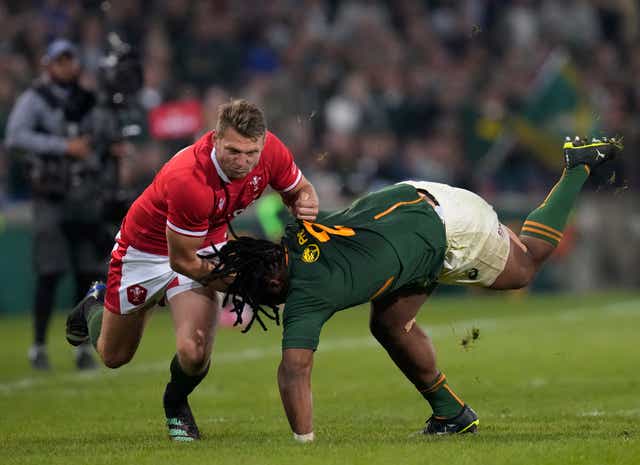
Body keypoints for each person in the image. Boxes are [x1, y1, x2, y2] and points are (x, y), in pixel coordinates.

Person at [204, 137, 621, 442]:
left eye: (262, 296)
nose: (266, 302)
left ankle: (577, 167)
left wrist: (303, 443)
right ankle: (450, 414)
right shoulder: (295, 232)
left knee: (526, 263)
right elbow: (288, 200)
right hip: (415, 200)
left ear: (275, 281)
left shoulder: (307, 294)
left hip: (447, 229)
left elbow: (295, 369)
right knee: (390, 323)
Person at [65, 99, 319, 441]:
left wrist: (307, 199)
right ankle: (94, 304)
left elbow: (299, 190)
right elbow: (181, 262)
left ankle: (176, 404)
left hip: (203, 241)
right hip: (145, 251)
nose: (243, 162)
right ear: (215, 139)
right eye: (233, 151)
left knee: (195, 350)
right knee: (113, 356)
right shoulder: (190, 178)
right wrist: (244, 285)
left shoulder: (271, 151)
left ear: (262, 142)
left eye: (251, 152)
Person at [5, 39, 101, 371]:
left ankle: (82, 347)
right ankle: (39, 346)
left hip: (85, 193)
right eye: (60, 61)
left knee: (87, 271)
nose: (67, 66)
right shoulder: (34, 98)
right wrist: (63, 146)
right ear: (48, 65)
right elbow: (15, 136)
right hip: (49, 194)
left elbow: (97, 137)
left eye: (71, 60)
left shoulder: (87, 99)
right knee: (50, 271)